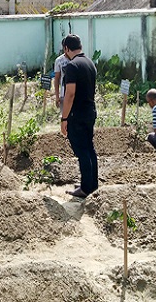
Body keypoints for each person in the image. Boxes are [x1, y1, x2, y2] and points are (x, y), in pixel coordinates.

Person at [60, 34, 98, 198]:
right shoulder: (90, 63)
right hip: (90, 111)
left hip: (77, 114)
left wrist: (64, 118)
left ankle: (85, 188)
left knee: (82, 150)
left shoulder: (72, 66)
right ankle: (91, 184)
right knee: (89, 148)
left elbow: (70, 94)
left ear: (67, 49)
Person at [53, 39, 69, 112]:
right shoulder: (59, 60)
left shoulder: (77, 59)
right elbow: (56, 78)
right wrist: (57, 96)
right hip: (64, 94)